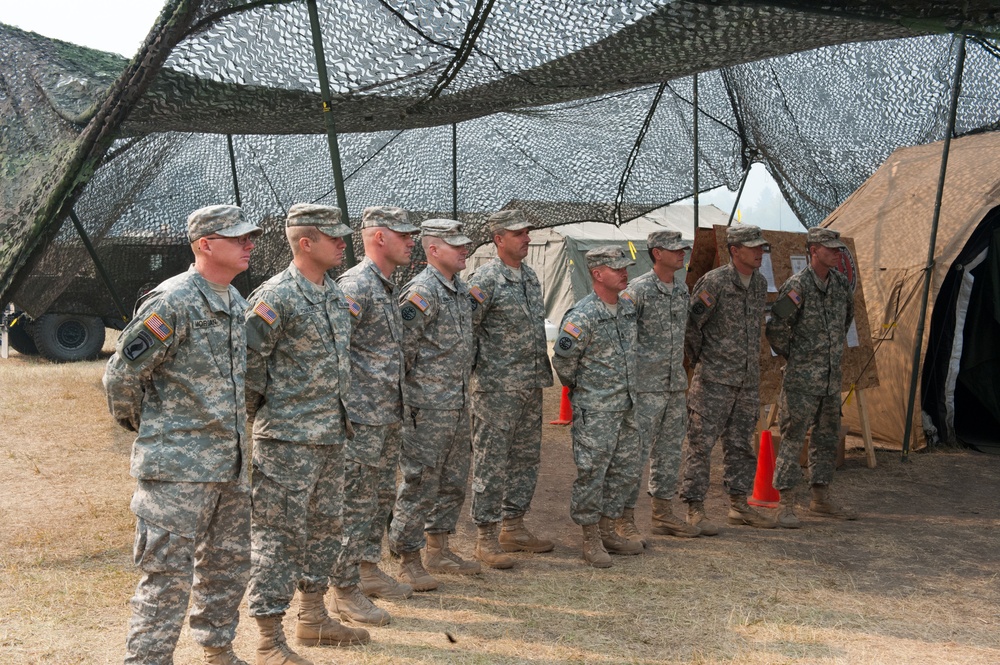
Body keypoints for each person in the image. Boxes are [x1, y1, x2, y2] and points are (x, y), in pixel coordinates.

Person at [104, 204, 261, 665]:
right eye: (238, 238)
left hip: (228, 466)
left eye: (249, 236)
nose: (248, 244)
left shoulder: (234, 301)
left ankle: (218, 650)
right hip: (176, 470)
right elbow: (120, 376)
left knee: (227, 567)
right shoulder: (171, 301)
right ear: (205, 245)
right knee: (167, 577)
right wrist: (151, 431)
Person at [244, 204, 370, 665]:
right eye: (333, 237)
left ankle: (313, 616)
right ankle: (266, 638)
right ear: (305, 243)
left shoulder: (334, 296)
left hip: (331, 437)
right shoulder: (275, 298)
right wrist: (262, 424)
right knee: (278, 537)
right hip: (285, 443)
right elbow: (248, 371)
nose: (343, 243)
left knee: (324, 530)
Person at [333, 206, 420, 612]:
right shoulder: (355, 286)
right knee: (354, 501)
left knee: (378, 497)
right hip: (361, 419)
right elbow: (336, 352)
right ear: (378, 237)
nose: (411, 241)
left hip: (385, 414)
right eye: (403, 234)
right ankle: (343, 587)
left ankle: (368, 569)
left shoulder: (385, 285)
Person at [389, 218, 479, 590]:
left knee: (454, 480)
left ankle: (438, 548)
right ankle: (407, 557)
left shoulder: (459, 290)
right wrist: (413, 401)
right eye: (455, 244)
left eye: (464, 243)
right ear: (433, 249)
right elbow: (402, 352)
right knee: (420, 482)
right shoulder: (421, 292)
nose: (464, 249)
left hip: (456, 404)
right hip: (425, 408)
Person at [466, 210, 554, 570]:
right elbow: (467, 330)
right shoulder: (484, 279)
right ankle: (486, 536)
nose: (527, 239)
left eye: (528, 232)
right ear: (499, 239)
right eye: (519, 234)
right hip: (495, 389)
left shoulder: (530, 278)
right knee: (491, 462)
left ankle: (513, 526)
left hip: (530, 385)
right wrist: (475, 379)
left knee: (525, 459)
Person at [679, 224, 775, 533]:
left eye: (761, 247)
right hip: (714, 382)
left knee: (741, 446)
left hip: (746, 382)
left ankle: (738, 506)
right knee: (700, 446)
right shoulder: (715, 282)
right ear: (735, 251)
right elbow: (692, 326)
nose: (760, 251)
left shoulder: (759, 283)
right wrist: (700, 362)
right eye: (754, 247)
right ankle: (695, 509)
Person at [552, 245, 643, 568]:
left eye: (625, 267)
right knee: (593, 473)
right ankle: (590, 536)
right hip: (597, 409)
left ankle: (608, 529)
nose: (624, 272)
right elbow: (564, 361)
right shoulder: (583, 315)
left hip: (628, 406)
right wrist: (585, 391)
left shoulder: (629, 309)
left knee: (624, 471)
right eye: (616, 267)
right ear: (597, 274)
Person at [766, 226, 858, 527]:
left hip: (830, 379)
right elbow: (776, 328)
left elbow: (846, 319)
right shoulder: (798, 286)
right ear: (813, 250)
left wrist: (826, 355)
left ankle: (820, 498)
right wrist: (799, 356)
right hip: (801, 380)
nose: (835, 253)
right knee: (793, 438)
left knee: (826, 437)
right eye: (829, 248)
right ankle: (786, 502)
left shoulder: (841, 284)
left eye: (837, 248)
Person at [620, 230, 701, 544]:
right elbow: (624, 340)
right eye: (674, 249)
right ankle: (624, 518)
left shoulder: (681, 289)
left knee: (668, 453)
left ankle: (662, 514)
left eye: (682, 248)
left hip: (673, 387)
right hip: (645, 389)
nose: (682, 253)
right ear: (656, 253)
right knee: (634, 455)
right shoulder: (637, 291)